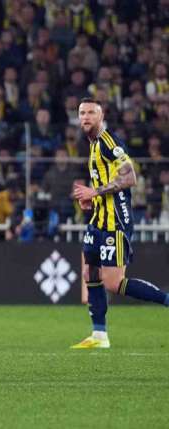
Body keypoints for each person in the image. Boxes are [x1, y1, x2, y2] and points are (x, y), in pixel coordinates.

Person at [72, 98, 169, 349]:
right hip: (98, 220)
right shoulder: (93, 144)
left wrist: (95, 192)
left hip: (115, 222)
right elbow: (108, 181)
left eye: (91, 113)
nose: (85, 117)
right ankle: (99, 335)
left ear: (101, 116)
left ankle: (167, 300)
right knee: (90, 272)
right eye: (82, 113)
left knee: (114, 283)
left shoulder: (109, 143)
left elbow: (130, 178)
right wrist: (92, 199)